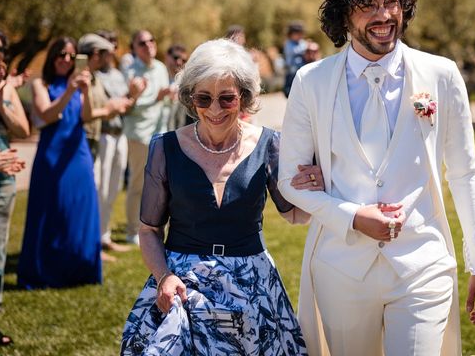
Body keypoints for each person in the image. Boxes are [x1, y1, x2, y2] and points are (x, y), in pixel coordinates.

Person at [278, 0, 475, 356]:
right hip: (341, 270)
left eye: (392, 1)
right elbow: (288, 181)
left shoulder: (442, 75)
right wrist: (354, 216)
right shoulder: (311, 81)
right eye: (369, 5)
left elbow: (465, 173)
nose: (384, 15)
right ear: (345, 16)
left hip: (422, 264)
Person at [120, 39, 323, 355]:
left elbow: (295, 215)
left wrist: (313, 186)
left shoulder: (269, 144)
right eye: (204, 98)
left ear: (244, 98)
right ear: (190, 97)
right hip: (183, 287)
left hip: (252, 287)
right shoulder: (165, 148)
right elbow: (148, 230)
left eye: (227, 99)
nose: (214, 110)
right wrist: (163, 277)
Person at [18, 37, 102, 288]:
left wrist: (84, 92)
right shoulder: (40, 84)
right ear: (52, 56)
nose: (65, 60)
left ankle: (80, 270)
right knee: (50, 210)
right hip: (51, 155)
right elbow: (46, 114)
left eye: (70, 55)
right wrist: (69, 90)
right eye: (60, 55)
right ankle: (45, 271)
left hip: (78, 153)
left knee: (78, 210)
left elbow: (86, 116)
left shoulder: (78, 84)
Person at [78, 33, 134, 259]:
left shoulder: (113, 75)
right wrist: (113, 107)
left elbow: (123, 105)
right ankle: (93, 242)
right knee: (98, 190)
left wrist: (132, 97)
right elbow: (96, 109)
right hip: (98, 136)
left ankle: (103, 237)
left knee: (112, 189)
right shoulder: (89, 76)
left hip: (117, 133)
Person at [123, 30, 171, 245]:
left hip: (160, 133)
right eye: (142, 42)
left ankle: (156, 227)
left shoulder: (161, 67)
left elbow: (163, 101)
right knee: (137, 184)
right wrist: (156, 98)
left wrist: (169, 96)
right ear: (134, 47)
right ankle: (132, 230)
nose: (148, 44)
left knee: (162, 184)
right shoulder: (130, 70)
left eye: (152, 40)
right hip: (139, 134)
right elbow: (128, 105)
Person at [0, 31, 29, 347]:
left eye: (1, 52)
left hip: (3, 182)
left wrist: (2, 101)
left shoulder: (4, 90)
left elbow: (23, 128)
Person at [164, 43, 190, 130]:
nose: (179, 62)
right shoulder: (157, 75)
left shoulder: (185, 84)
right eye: (176, 58)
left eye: (184, 60)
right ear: (167, 56)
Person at [283, 22, 307, 98]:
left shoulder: (302, 42)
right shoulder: (288, 43)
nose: (300, 36)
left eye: (301, 34)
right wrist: (306, 48)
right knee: (291, 86)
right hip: (292, 69)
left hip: (302, 68)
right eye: (298, 34)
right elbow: (294, 51)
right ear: (291, 34)